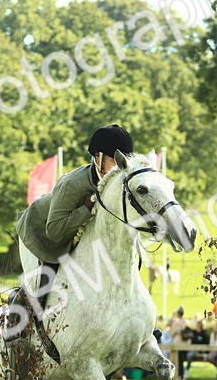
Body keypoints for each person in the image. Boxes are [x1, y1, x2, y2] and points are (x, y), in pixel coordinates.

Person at [15, 124, 133, 310]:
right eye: (115, 161)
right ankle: (23, 315)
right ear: (98, 158)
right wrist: (85, 209)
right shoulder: (72, 184)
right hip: (40, 232)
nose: (120, 167)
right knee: (43, 293)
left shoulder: (119, 183)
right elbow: (54, 231)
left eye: (124, 161)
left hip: (73, 232)